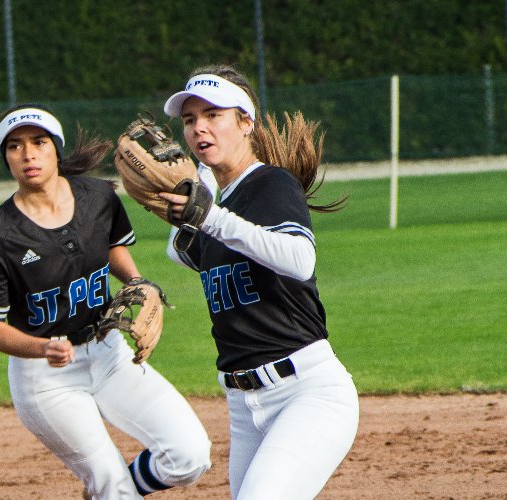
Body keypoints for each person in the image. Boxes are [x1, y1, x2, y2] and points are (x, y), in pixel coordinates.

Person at [0, 104, 212, 498]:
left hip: (109, 352)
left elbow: (112, 247)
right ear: (6, 158)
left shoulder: (99, 197)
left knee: (190, 455)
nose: (28, 154)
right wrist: (42, 347)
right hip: (45, 379)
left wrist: (136, 281)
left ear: (56, 150)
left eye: (39, 142)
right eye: (14, 146)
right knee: (110, 484)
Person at [156, 65, 358, 499]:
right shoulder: (219, 204)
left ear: (246, 122)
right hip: (244, 406)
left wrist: (209, 216)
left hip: (308, 394)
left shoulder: (271, 184)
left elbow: (299, 259)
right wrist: (197, 186)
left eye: (213, 115)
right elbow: (180, 251)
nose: (199, 127)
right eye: (190, 120)